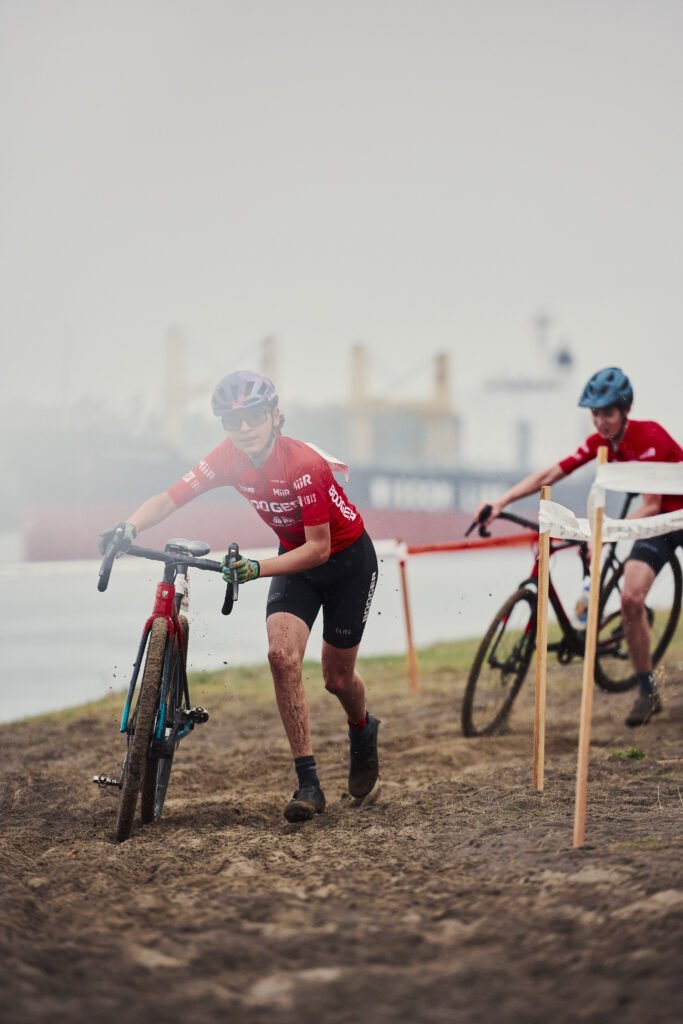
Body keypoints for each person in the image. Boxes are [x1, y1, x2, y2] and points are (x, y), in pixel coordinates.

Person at [99, 370, 380, 822]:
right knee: (281, 656)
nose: (244, 428)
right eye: (233, 421)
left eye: (253, 417)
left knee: (337, 679)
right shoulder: (228, 458)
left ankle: (362, 730)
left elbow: (320, 548)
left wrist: (255, 569)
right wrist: (129, 525)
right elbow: (170, 498)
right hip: (295, 560)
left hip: (346, 562)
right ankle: (308, 782)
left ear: (275, 416)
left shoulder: (303, 465)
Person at [476, 366, 683, 728]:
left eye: (608, 414)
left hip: (672, 514)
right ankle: (647, 690)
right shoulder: (601, 443)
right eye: (595, 414)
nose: (600, 422)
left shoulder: (650, 436)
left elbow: (651, 506)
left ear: (625, 411)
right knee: (630, 599)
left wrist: (601, 535)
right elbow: (551, 473)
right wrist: (501, 501)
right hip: (654, 527)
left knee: (606, 548)